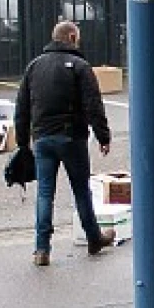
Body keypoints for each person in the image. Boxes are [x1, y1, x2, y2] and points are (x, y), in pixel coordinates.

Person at [15, 21, 114, 266]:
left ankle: (41, 249)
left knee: (45, 194)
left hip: (42, 139)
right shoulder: (80, 66)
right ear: (71, 37)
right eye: (77, 38)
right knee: (81, 190)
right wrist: (103, 136)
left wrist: (22, 143)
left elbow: (22, 109)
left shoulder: (34, 67)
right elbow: (93, 105)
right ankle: (93, 238)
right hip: (72, 138)